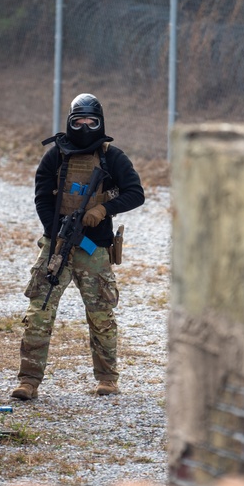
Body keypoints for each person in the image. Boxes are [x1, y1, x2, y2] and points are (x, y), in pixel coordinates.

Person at [11, 93, 145, 400]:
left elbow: (136, 193)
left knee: (101, 316)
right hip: (56, 244)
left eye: (91, 122)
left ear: (100, 124)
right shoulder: (55, 157)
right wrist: (55, 231)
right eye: (78, 121)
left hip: (94, 248)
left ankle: (108, 378)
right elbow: (42, 197)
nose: (85, 127)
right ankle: (28, 381)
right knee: (38, 314)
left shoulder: (113, 158)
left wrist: (103, 210)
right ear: (70, 123)